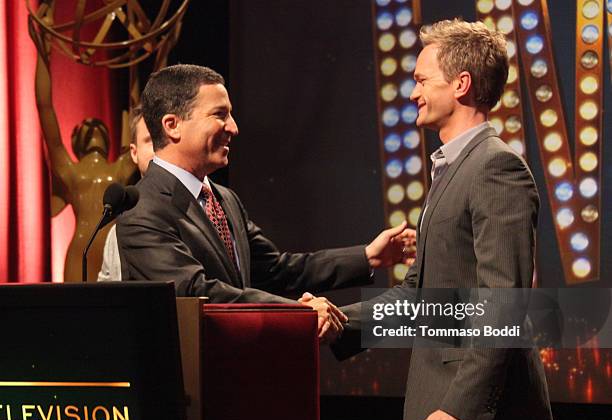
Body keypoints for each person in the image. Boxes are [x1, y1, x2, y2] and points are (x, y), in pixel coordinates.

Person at [319, 19, 556, 420]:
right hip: (443, 415)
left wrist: (461, 409)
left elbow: (502, 301)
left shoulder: (495, 166)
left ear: (462, 84)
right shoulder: (453, 169)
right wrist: (340, 323)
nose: (413, 94)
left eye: (422, 80)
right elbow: (419, 297)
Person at [117, 64, 415, 341]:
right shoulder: (142, 210)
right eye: (220, 114)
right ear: (173, 125)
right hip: (188, 388)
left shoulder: (224, 199)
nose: (233, 127)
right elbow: (196, 292)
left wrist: (367, 257)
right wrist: (300, 313)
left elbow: (275, 271)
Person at [30, 9, 138, 282]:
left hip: (114, 250)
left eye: (98, 125)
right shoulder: (69, 171)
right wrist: (43, 53)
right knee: (74, 315)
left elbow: (140, 109)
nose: (92, 126)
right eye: (85, 127)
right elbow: (45, 109)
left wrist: (140, 56)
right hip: (79, 251)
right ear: (75, 143)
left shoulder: (122, 168)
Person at [98, 106, 154, 281]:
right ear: (134, 152)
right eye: (151, 140)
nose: (159, 149)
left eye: (164, 140)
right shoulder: (116, 233)